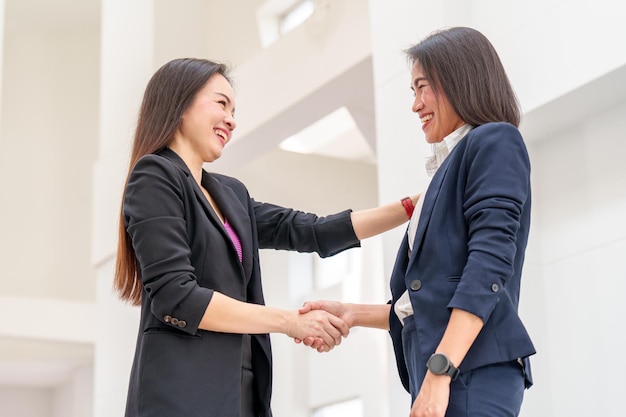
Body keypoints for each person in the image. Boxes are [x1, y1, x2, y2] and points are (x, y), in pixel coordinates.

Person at [113, 57, 419, 417]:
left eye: (234, 109)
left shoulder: (231, 194)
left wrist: (414, 206)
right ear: (179, 105)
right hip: (180, 394)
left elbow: (312, 230)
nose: (231, 119)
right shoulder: (154, 176)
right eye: (221, 103)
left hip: (240, 390)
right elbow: (176, 297)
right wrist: (290, 321)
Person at [299, 27, 536, 417]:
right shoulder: (447, 167)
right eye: (413, 90)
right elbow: (428, 298)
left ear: (460, 80)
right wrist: (353, 313)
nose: (416, 105)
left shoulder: (494, 141)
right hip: (447, 368)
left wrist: (440, 371)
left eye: (422, 87)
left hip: (465, 369)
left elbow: (489, 265)